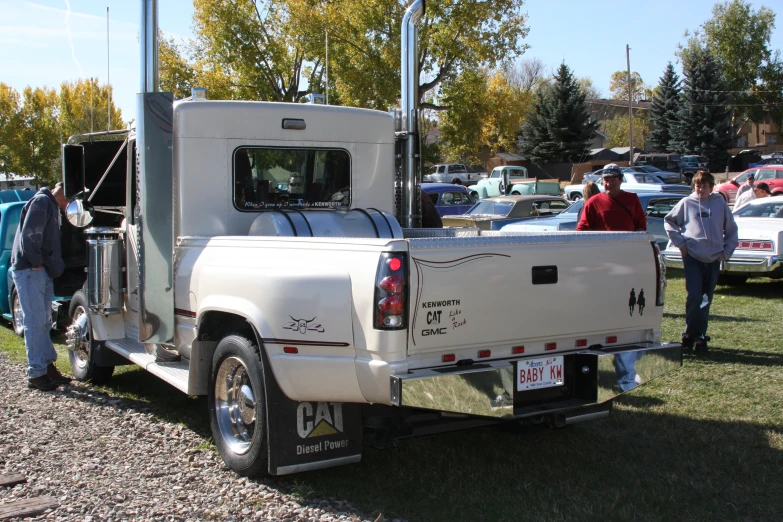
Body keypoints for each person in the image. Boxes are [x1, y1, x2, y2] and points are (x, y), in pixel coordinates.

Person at [664, 170, 738, 354]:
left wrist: (726, 251)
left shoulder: (719, 203)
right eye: (698, 185)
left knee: (706, 298)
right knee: (695, 295)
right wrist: (681, 244)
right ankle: (689, 334)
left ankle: (700, 336)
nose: (701, 189)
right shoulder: (687, 203)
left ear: (711, 187)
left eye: (704, 186)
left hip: (713, 259)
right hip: (693, 258)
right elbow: (669, 222)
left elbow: (731, 230)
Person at [10, 182, 72, 391]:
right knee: (36, 321)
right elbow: (31, 235)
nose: (70, 205)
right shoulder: (42, 202)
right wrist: (35, 261)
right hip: (31, 271)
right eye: (70, 200)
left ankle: (47, 366)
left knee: (44, 321)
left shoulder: (48, 203)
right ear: (64, 195)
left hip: (38, 270)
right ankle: (36, 373)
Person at [577, 167, 647, 232]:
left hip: (627, 244)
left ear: (620, 180)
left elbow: (641, 224)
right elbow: (582, 229)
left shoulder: (632, 199)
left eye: (613, 180)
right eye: (606, 180)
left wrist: (636, 241)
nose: (609, 184)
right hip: (602, 244)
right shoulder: (592, 202)